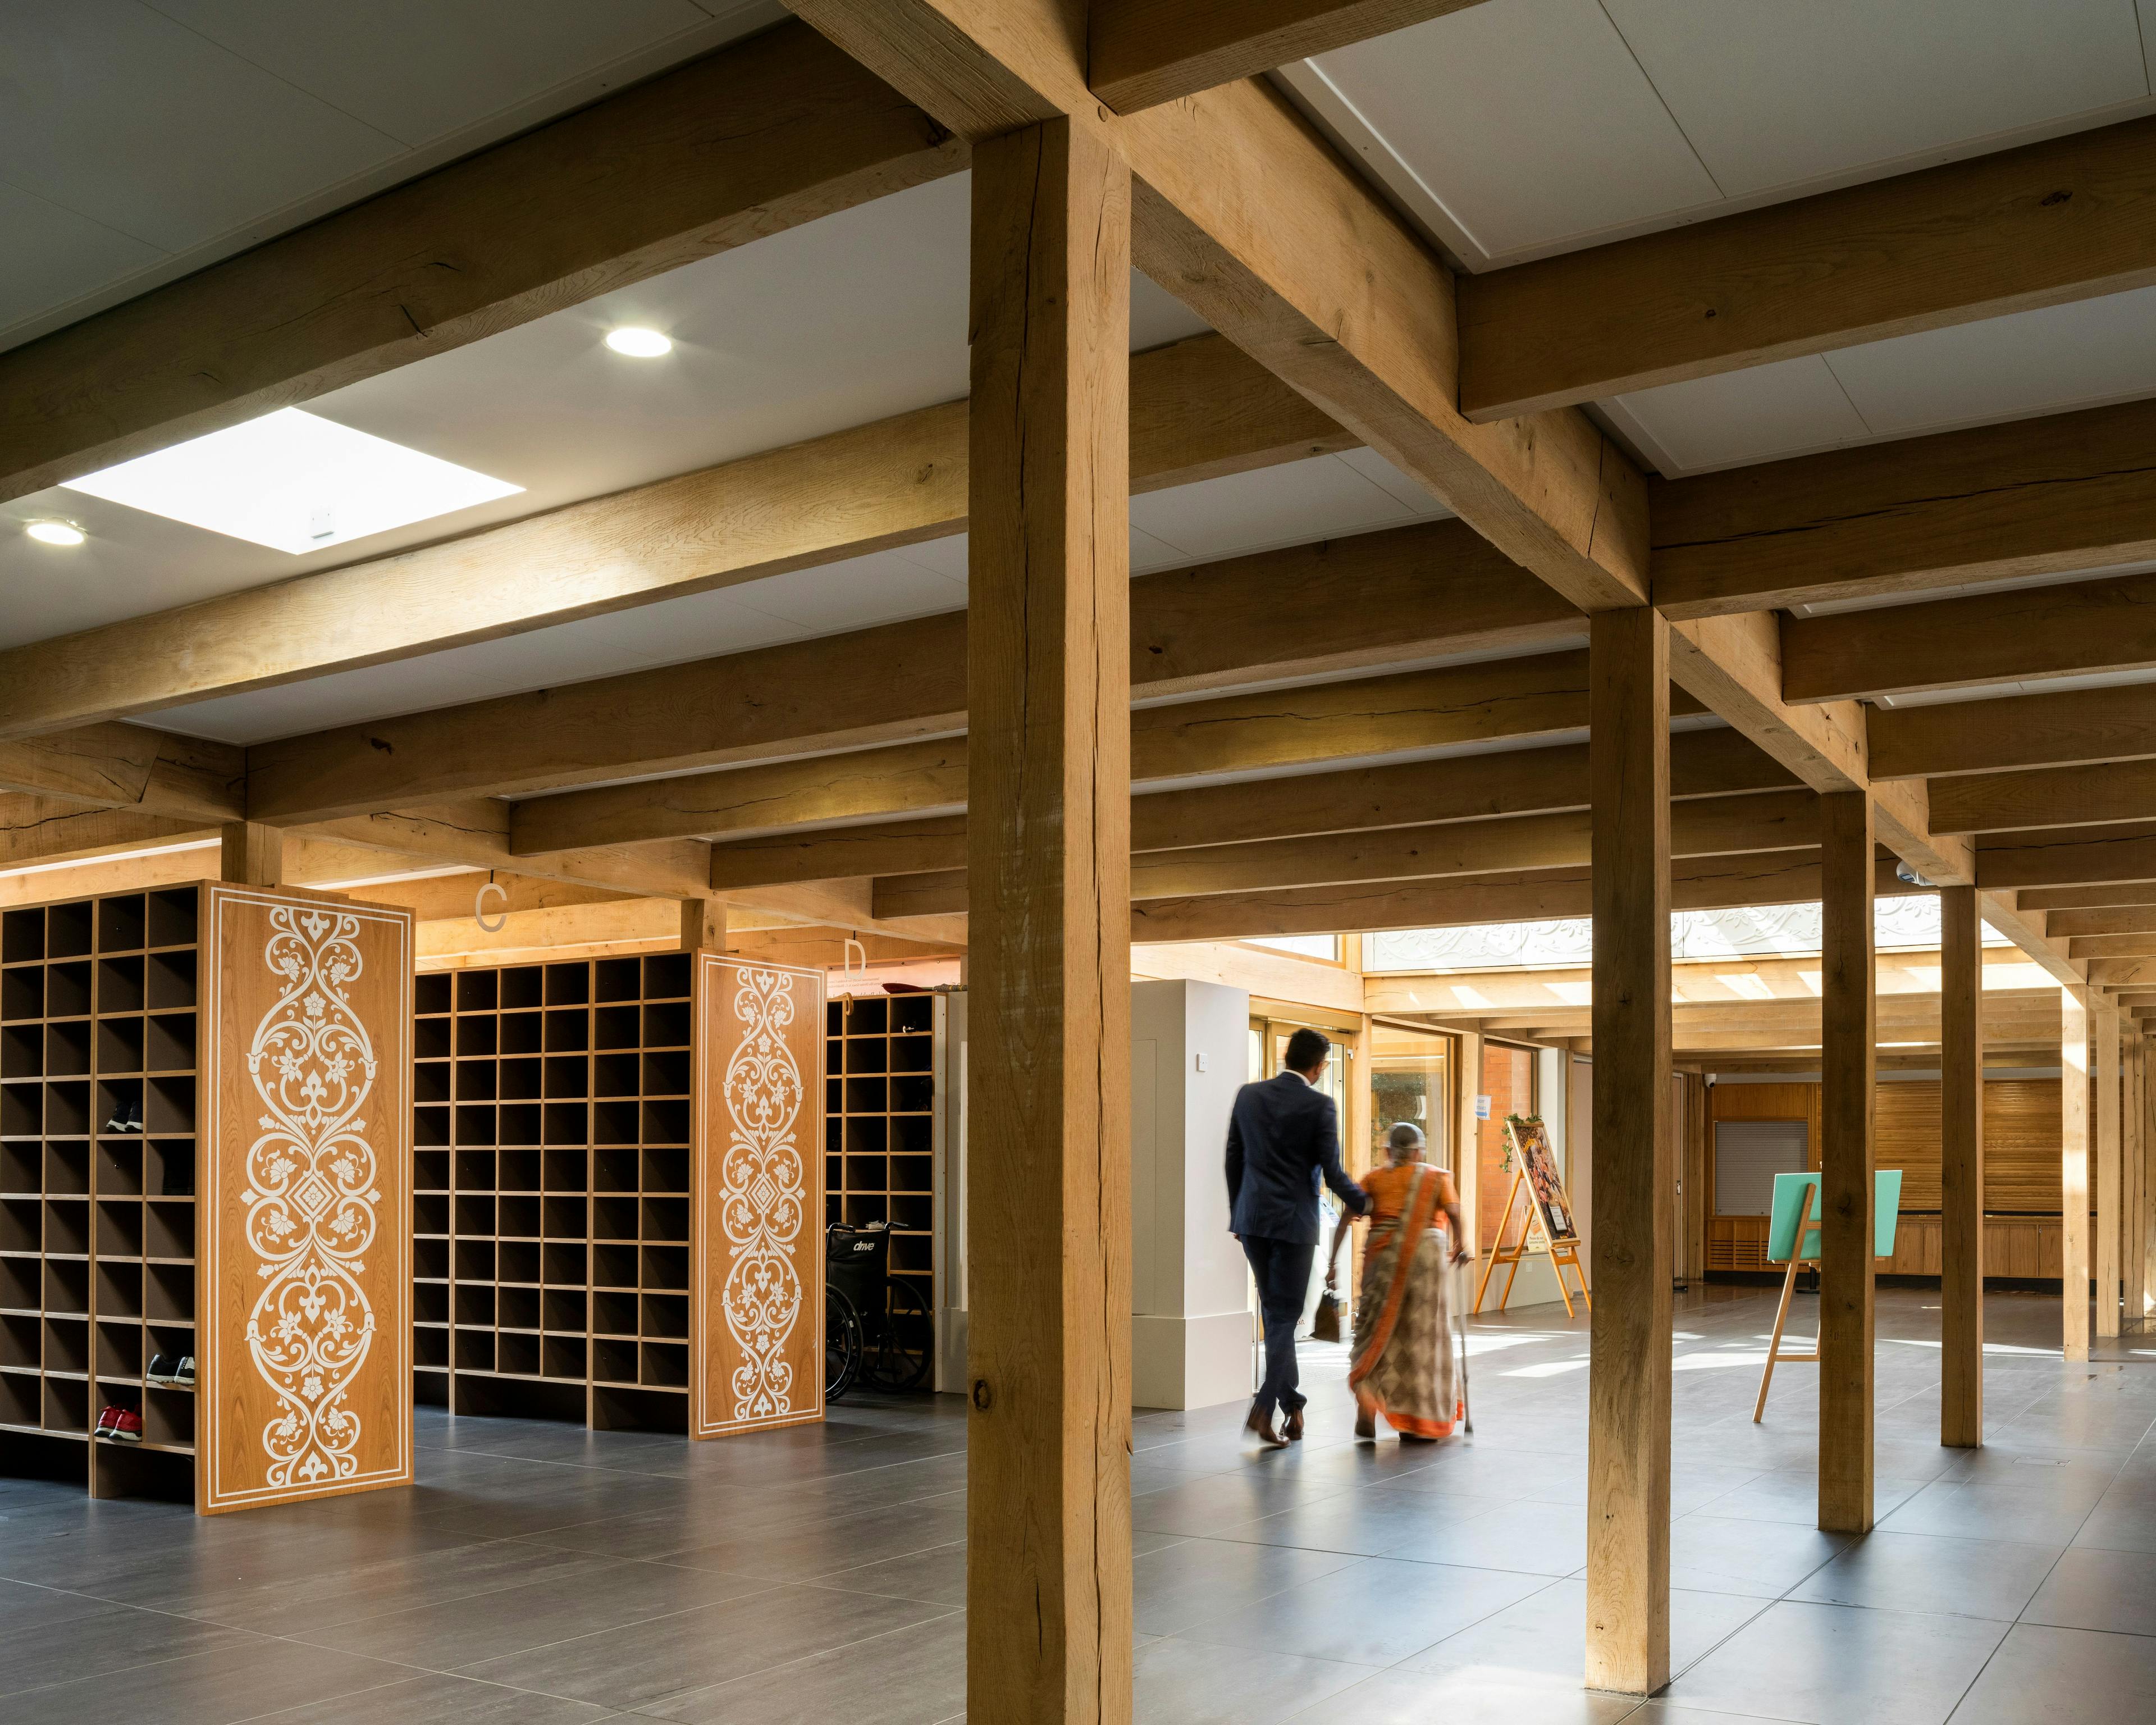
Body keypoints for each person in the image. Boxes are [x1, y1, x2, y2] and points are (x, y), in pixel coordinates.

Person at [1226, 1026, 1368, 1446]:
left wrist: (1239, 1215)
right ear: (1320, 1066)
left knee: (1276, 1318)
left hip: (1253, 1222)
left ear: (1288, 1057)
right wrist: (1366, 1203)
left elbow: (1233, 1159)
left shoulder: (1248, 1096)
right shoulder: (1319, 1105)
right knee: (1285, 1317)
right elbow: (1333, 1173)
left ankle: (1293, 1405)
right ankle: (1263, 1408)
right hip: (1293, 1226)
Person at [1326, 1121, 1471, 1442]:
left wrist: (1333, 1264)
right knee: (1421, 1339)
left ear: (1388, 1152)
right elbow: (1454, 1214)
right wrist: (1461, 1245)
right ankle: (1416, 1420)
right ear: (1419, 1152)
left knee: (1374, 1334)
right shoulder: (1437, 1178)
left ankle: (1367, 1404)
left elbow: (1347, 1218)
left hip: (1382, 1264)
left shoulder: (1374, 1179)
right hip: (1426, 1267)